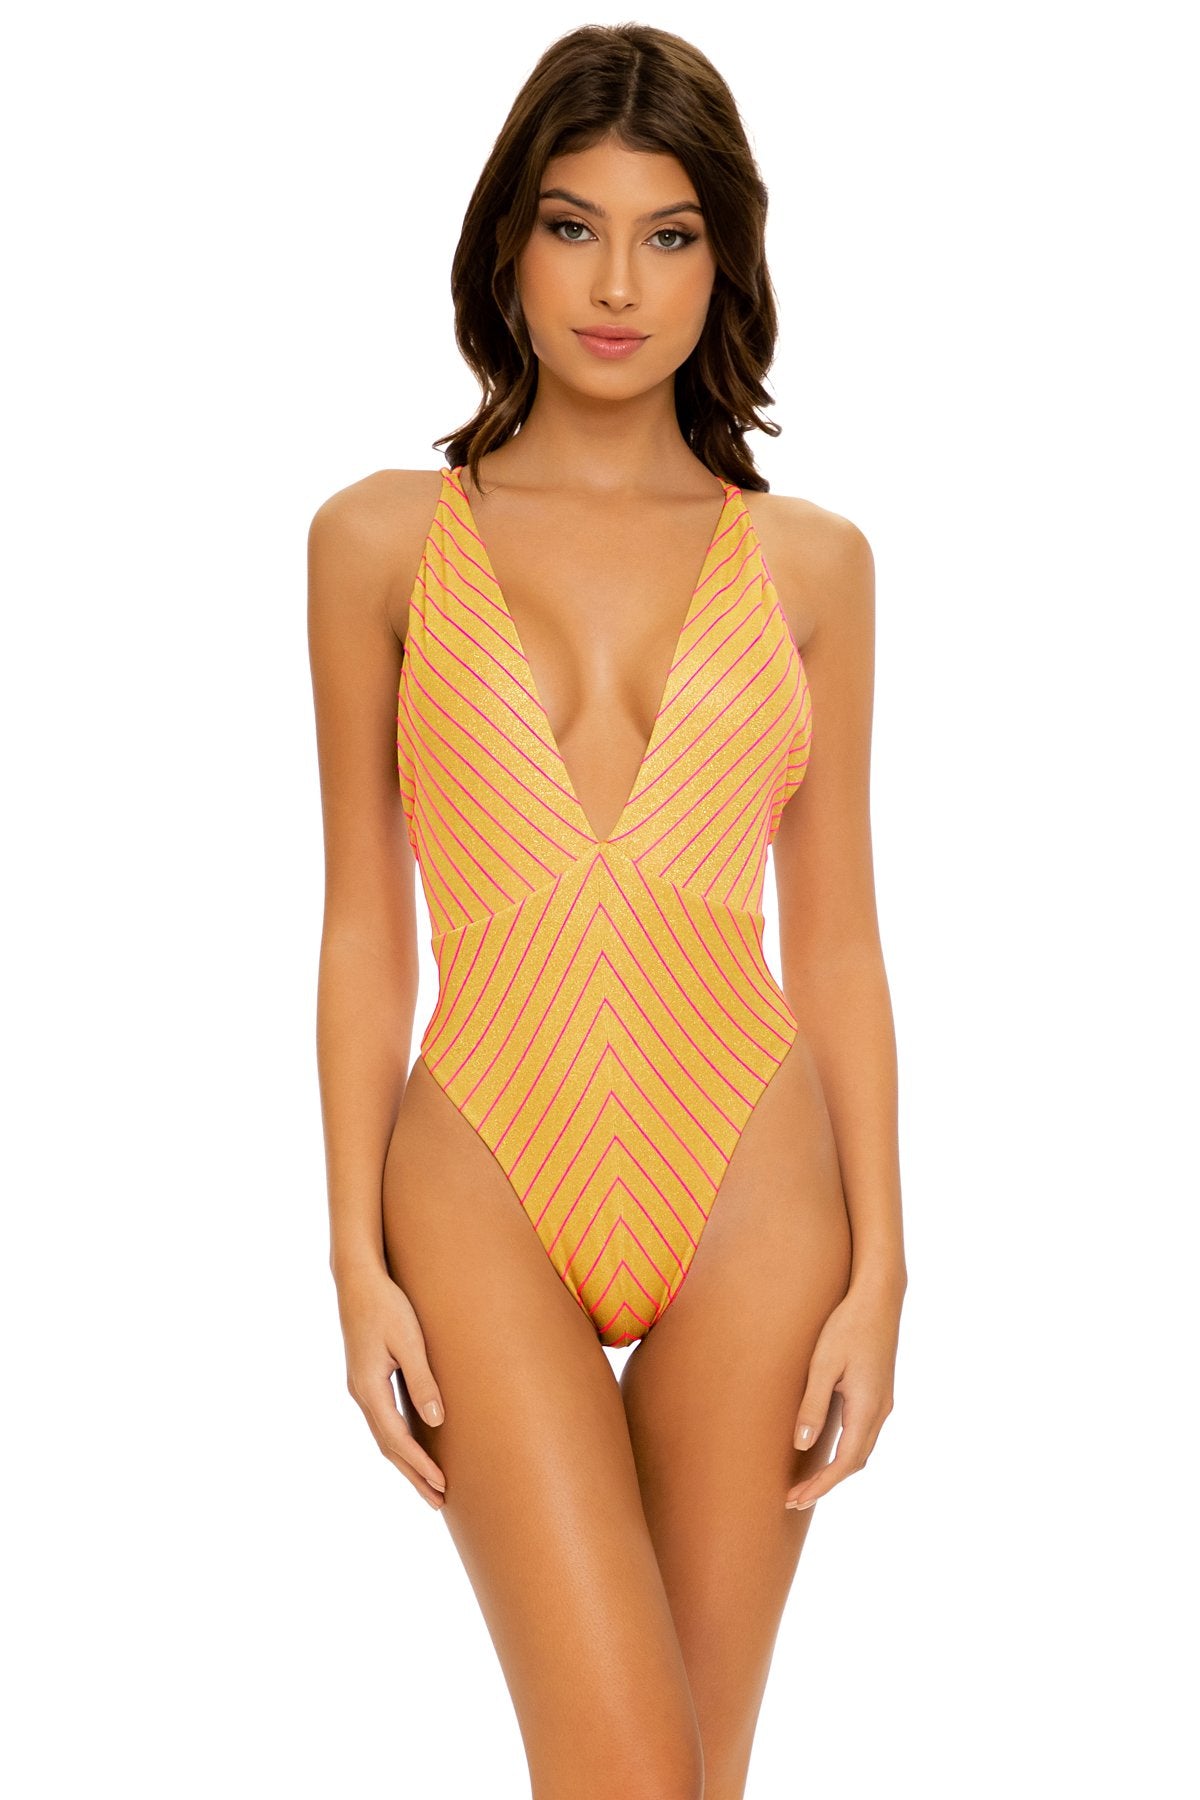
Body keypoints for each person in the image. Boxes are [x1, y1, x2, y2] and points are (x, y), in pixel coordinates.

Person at [307, 22, 905, 1800]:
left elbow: (841, 939)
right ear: (508, 247)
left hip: (757, 1178)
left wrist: (886, 1266)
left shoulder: (814, 566)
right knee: (626, 1770)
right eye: (574, 227)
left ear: (726, 259)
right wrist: (351, 1260)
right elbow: (362, 925)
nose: (619, 285)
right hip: (479, 1166)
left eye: (669, 234)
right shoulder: (377, 542)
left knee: (696, 1782)